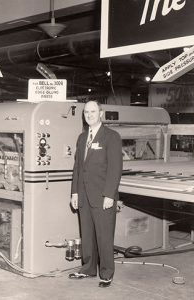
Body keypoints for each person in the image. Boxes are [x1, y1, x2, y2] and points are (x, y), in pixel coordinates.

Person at [69, 100, 123, 288]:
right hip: (84, 195)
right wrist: (74, 192)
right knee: (88, 235)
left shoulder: (111, 137)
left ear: (101, 113)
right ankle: (88, 269)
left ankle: (106, 273)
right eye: (86, 112)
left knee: (104, 236)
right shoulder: (82, 138)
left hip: (102, 196)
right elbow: (78, 168)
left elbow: (115, 169)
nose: (89, 115)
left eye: (93, 111)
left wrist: (110, 195)